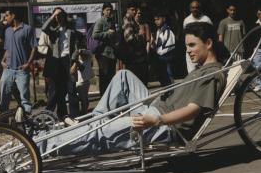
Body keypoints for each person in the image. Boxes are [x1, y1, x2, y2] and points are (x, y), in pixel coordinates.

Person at [39, 22, 226, 156]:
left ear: (208, 43)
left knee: (99, 133)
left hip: (164, 125)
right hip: (156, 108)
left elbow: (194, 109)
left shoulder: (212, 74)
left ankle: (41, 144)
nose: (188, 50)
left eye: (192, 45)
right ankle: (95, 120)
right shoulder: (202, 69)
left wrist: (156, 120)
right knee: (123, 76)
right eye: (187, 46)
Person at [39, 7, 81, 120]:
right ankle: (61, 115)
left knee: (71, 88)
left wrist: (75, 63)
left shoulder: (71, 29)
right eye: (56, 15)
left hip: (69, 60)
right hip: (57, 62)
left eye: (60, 14)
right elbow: (43, 28)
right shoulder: (53, 30)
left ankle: (75, 116)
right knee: (58, 90)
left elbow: (77, 48)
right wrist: (53, 15)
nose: (58, 17)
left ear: (64, 15)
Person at [0, 9, 38, 115]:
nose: (5, 18)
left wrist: (28, 64)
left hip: (22, 70)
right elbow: (7, 48)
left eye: (7, 15)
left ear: (13, 15)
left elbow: (34, 48)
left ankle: (27, 123)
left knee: (25, 99)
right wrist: (3, 60)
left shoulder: (27, 29)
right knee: (4, 98)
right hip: (8, 69)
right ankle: (4, 120)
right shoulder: (7, 31)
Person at [92, 2, 117, 96]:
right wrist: (107, 33)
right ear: (103, 11)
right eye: (107, 10)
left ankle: (110, 98)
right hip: (103, 54)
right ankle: (103, 98)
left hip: (112, 54)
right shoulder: (100, 21)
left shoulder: (112, 21)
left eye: (110, 10)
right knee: (104, 78)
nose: (109, 11)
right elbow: (95, 35)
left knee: (111, 78)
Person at [122, 3, 148, 86]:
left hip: (137, 57)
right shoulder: (127, 19)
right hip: (132, 57)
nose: (134, 12)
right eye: (132, 10)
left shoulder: (132, 20)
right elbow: (129, 38)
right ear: (127, 10)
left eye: (135, 10)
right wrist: (139, 36)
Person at [183, 0, 213, 73]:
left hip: (204, 51)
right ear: (190, 9)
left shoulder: (206, 19)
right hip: (192, 50)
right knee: (192, 72)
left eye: (196, 7)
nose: (195, 9)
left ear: (200, 8)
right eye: (193, 7)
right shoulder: (187, 20)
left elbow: (211, 35)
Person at [151, 11, 176, 87]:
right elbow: (158, 45)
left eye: (158, 19)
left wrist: (158, 52)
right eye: (155, 20)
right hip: (160, 58)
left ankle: (171, 90)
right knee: (163, 76)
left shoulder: (168, 31)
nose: (156, 22)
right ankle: (167, 90)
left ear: (164, 19)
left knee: (168, 75)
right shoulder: (159, 31)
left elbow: (170, 45)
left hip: (166, 57)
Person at [70, 44, 95, 115]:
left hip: (84, 82)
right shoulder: (77, 61)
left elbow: (87, 52)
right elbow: (72, 71)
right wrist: (76, 61)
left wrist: (79, 51)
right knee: (83, 98)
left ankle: (84, 112)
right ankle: (84, 111)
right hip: (80, 82)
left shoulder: (88, 56)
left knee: (83, 99)